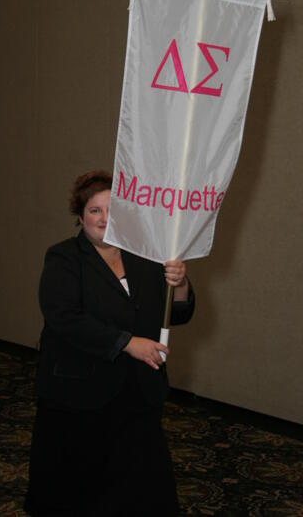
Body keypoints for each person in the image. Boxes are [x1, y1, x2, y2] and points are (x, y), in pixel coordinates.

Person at [25, 170, 195, 517]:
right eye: (95, 210)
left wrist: (180, 285)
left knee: (141, 488)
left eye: (111, 210)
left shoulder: (145, 255)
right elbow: (66, 319)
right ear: (80, 215)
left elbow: (174, 314)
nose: (104, 219)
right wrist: (128, 343)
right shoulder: (63, 258)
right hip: (80, 395)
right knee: (83, 491)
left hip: (136, 392)